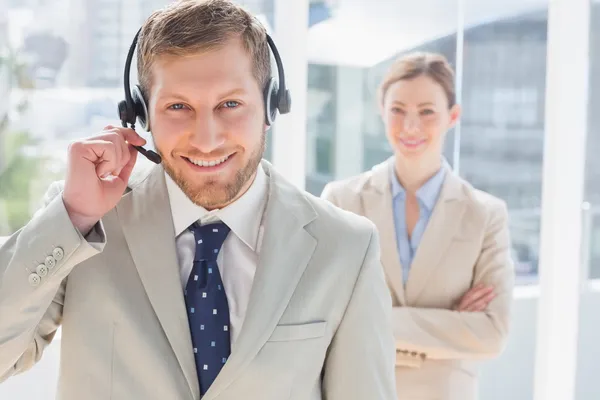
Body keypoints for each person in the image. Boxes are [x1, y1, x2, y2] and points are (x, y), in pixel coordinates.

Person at [0, 1, 397, 399]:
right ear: (140, 114)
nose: (206, 139)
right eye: (177, 107)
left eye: (230, 104)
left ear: (271, 105)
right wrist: (75, 215)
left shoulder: (345, 247)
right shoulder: (82, 224)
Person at [321, 52, 514, 400]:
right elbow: (324, 313)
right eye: (398, 110)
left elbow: (492, 332)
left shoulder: (485, 215)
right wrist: (448, 324)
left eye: (426, 112)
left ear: (452, 116)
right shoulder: (342, 200)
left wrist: (371, 317)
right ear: (382, 110)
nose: (410, 127)